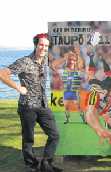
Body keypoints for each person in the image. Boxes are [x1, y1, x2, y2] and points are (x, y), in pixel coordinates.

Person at [0, 33, 63, 172]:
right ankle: (31, 165)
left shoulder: (46, 59)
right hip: (27, 106)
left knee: (55, 135)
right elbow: (2, 73)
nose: (43, 48)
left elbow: (57, 63)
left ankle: (46, 163)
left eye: (46, 46)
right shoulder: (24, 61)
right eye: (41, 45)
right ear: (36, 45)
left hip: (43, 105)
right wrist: (17, 87)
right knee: (28, 138)